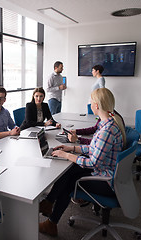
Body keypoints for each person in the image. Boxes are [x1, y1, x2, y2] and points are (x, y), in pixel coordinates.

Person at [38, 88, 126, 237]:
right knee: (70, 170)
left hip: (107, 180)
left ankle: (51, 220)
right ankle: (49, 204)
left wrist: (66, 155)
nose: (90, 104)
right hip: (107, 171)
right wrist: (71, 148)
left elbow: (93, 163)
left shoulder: (107, 131)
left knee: (69, 181)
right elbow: (93, 147)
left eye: (91, 101)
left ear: (96, 105)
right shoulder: (107, 123)